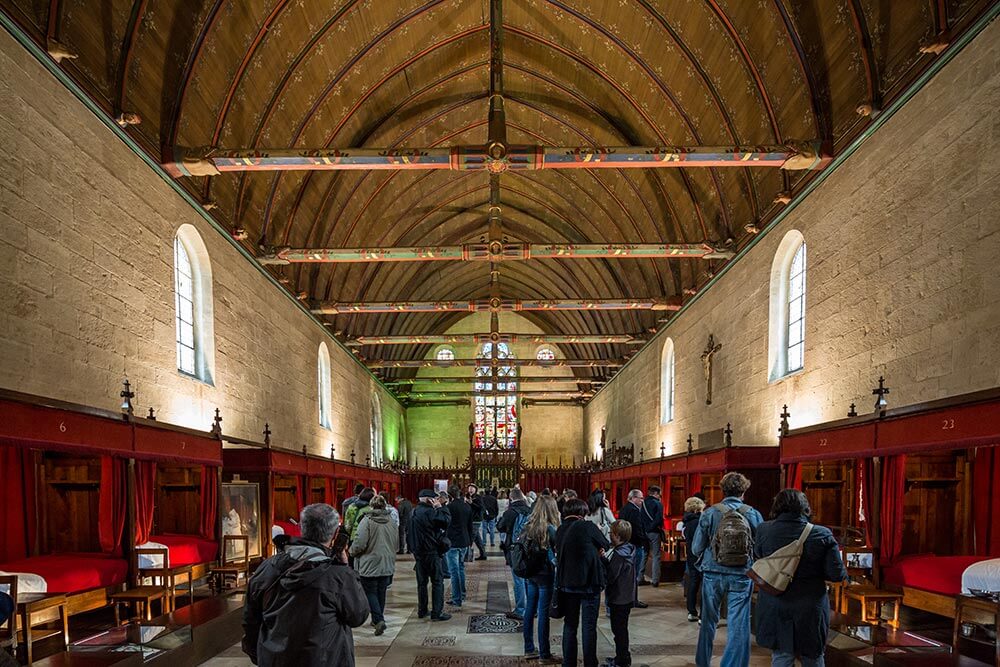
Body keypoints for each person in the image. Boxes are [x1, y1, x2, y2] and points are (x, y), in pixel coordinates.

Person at [243, 503, 369, 666]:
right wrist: (345, 569)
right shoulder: (337, 575)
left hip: (276, 660)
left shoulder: (268, 568)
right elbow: (357, 615)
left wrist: (261, 655)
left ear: (302, 528)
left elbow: (250, 619)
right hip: (324, 660)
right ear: (336, 533)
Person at [755, 489, 847, 667]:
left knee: (781, 655)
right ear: (805, 508)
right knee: (813, 655)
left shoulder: (763, 530)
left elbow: (758, 555)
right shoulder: (822, 534)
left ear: (777, 506)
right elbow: (836, 574)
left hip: (775, 601)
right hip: (810, 605)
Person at [691, 472, 764, 667]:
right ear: (744, 490)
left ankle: (702, 661)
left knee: (708, 620)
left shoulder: (710, 512)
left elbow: (696, 547)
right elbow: (760, 547)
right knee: (738, 623)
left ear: (722, 490)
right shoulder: (752, 513)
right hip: (742, 573)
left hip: (713, 573)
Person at [555, 497, 610, 667]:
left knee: (570, 625)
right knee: (588, 626)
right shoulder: (588, 526)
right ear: (582, 512)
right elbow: (606, 544)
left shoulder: (560, 530)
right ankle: (590, 663)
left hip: (567, 583)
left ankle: (569, 663)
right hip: (589, 583)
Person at [349, 495, 398, 636]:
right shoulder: (391, 521)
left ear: (371, 506)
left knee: (369, 591)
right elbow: (396, 543)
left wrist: (352, 552)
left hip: (370, 561)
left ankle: (379, 619)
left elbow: (360, 543)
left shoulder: (367, 521)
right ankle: (377, 620)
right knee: (381, 591)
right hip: (387, 561)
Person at [521, 495, 561, 664]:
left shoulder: (528, 526)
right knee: (543, 613)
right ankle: (545, 654)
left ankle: (529, 648)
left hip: (530, 573)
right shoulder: (550, 529)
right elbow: (558, 551)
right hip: (545, 574)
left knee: (530, 609)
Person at [407, 489, 452, 621]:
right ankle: (437, 612)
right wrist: (440, 507)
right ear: (429, 500)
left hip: (418, 553)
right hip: (431, 551)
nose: (437, 501)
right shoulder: (430, 512)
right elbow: (446, 521)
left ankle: (422, 610)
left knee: (422, 583)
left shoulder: (413, 512)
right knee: (437, 582)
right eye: (435, 499)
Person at [605, 520, 637, 667]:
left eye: (611, 533)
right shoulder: (630, 549)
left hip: (618, 597)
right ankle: (622, 657)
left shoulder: (619, 555)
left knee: (619, 631)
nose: (610, 535)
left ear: (617, 536)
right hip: (627, 595)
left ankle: (622, 660)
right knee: (622, 629)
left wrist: (602, 561)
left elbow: (611, 576)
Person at [498, 487, 532, 620]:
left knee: (518, 579)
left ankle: (520, 610)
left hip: (515, 549)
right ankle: (532, 608)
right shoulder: (531, 510)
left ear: (511, 498)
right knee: (529, 578)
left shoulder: (510, 512)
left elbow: (500, 527)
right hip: (530, 547)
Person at [617, 489, 649, 609]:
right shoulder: (634, 511)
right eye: (640, 498)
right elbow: (637, 529)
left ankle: (629, 599)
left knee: (628, 574)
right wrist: (643, 541)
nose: (642, 500)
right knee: (633, 574)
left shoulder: (624, 509)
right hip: (634, 545)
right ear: (633, 498)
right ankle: (632, 600)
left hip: (625, 544)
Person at [445, 484, 473, 607]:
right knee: (460, 568)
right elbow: (470, 525)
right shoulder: (467, 506)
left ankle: (457, 599)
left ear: (449, 495)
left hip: (453, 542)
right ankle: (462, 594)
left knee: (454, 571)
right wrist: (470, 541)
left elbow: (445, 525)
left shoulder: (449, 507)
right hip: (465, 541)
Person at [681, 496, 706, 622]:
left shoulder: (686, 522)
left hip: (690, 555)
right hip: (701, 555)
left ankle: (691, 611)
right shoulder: (700, 522)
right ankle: (703, 614)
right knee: (704, 584)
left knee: (693, 582)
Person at [641, 486, 665, 587]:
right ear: (655, 493)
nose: (660, 496)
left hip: (643, 531)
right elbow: (658, 519)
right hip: (654, 532)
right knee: (656, 555)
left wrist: (645, 529)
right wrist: (651, 527)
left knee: (644, 554)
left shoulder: (643, 503)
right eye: (659, 494)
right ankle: (655, 580)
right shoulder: (658, 503)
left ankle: (639, 577)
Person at [465, 484, 488, 561]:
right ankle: (483, 554)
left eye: (472, 488)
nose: (470, 490)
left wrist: (472, 503)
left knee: (471, 537)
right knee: (477, 539)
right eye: (469, 488)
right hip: (470, 519)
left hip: (476, 519)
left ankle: (467, 556)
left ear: (475, 490)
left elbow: (481, 508)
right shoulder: (467, 497)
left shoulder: (478, 497)